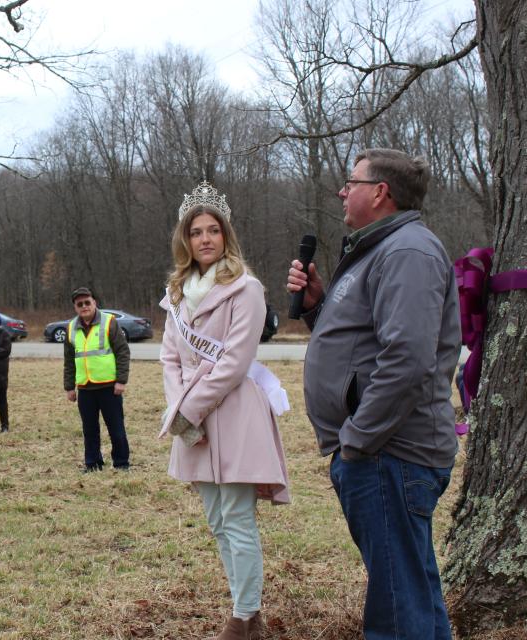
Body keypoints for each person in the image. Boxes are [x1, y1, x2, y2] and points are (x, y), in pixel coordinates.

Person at [287, 149, 460, 639]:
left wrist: (358, 441)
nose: (343, 191)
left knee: (396, 609)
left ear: (380, 192)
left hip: (391, 454)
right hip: (381, 454)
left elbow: (407, 359)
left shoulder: (407, 252)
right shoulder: (379, 250)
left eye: (352, 181)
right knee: (411, 591)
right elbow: (362, 345)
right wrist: (319, 308)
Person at [160, 182, 290, 640]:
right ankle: (246, 610)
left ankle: (244, 616)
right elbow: (170, 357)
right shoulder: (177, 293)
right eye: (196, 232)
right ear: (186, 240)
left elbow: (234, 362)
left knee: (236, 517)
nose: (205, 239)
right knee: (216, 521)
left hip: (233, 411)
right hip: (193, 418)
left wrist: (189, 408)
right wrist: (181, 406)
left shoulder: (246, 289)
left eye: (213, 230)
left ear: (226, 236)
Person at [62, 286, 131, 471]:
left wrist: (121, 381)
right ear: (75, 307)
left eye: (87, 302)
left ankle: (122, 463)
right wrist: (69, 387)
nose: (84, 306)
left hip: (110, 387)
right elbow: (69, 360)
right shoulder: (70, 328)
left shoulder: (109, 322)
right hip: (85, 388)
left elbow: (123, 352)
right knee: (89, 431)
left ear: (94, 303)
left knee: (116, 429)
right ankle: (93, 463)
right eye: (79, 304)